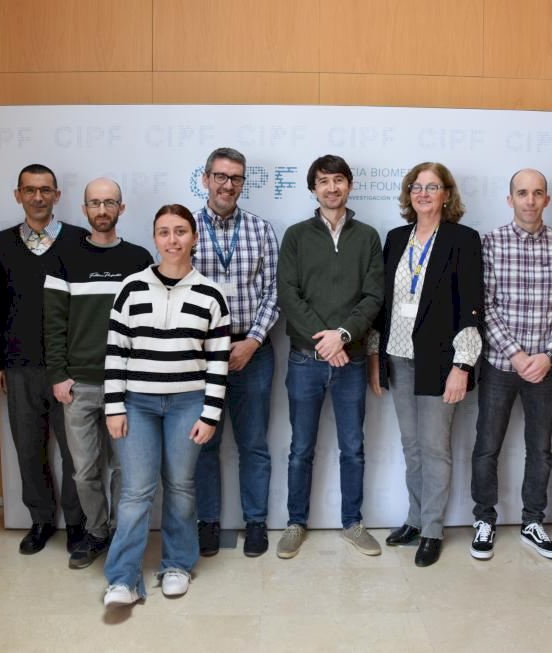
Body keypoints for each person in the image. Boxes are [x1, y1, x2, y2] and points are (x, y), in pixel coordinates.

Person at [102, 204, 230, 607]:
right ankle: (122, 578)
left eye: (180, 231)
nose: (172, 240)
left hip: (188, 404)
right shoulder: (131, 288)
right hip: (136, 404)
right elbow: (116, 352)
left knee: (180, 487)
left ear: (194, 237)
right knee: (136, 492)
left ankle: (176, 565)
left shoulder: (211, 294)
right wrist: (114, 406)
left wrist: (210, 414)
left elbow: (218, 361)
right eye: (163, 232)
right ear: (155, 238)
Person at [366, 162, 484, 567]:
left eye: (432, 187)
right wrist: (376, 356)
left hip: (441, 360)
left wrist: (462, 365)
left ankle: (433, 529)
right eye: (416, 186)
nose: (423, 193)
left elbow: (471, 307)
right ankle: (414, 520)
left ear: (446, 194)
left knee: (435, 449)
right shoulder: (396, 238)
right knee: (412, 447)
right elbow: (384, 304)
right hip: (398, 356)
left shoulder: (463, 239)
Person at [275, 154, 384, 559]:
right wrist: (325, 342)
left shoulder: (368, 237)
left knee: (353, 447)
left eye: (339, 180)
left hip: (351, 361)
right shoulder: (296, 236)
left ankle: (353, 522)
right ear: (313, 189)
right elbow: (289, 293)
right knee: (301, 448)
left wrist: (342, 336)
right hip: (306, 360)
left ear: (349, 185)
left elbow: (373, 296)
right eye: (323, 181)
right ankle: (295, 523)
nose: (332, 187)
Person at [44, 178, 154, 570]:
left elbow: (148, 323)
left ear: (121, 209)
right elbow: (53, 322)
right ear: (84, 209)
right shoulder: (63, 258)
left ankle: (124, 535)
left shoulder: (139, 259)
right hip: (80, 384)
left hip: (127, 384)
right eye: (95, 203)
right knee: (85, 470)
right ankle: (97, 532)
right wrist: (58, 374)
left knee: (127, 469)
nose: (102, 210)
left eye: (109, 203)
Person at [470, 168, 552, 561]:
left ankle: (533, 521)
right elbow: (484, 307)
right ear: (510, 199)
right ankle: (484, 519)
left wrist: (547, 355)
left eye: (537, 193)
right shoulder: (491, 243)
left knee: (541, 449)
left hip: (546, 369)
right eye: (522, 193)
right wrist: (516, 354)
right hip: (500, 365)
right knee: (487, 446)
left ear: (547, 199)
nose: (530, 200)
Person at [0, 163, 88, 555]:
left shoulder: (78, 240)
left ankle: (77, 523)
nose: (38, 197)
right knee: (28, 449)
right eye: (29, 190)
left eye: (45, 190)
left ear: (57, 195)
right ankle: (41, 520)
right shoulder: (2, 244)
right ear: (18, 195)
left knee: (76, 450)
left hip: (68, 366)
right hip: (20, 364)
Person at [193, 147, 280, 557]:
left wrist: (253, 341)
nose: (228, 185)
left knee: (254, 443)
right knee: (204, 442)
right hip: (199, 354)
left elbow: (274, 290)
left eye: (236, 178)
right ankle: (207, 522)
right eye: (221, 176)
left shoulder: (261, 229)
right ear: (206, 179)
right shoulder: (187, 228)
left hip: (253, 350)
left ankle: (256, 522)